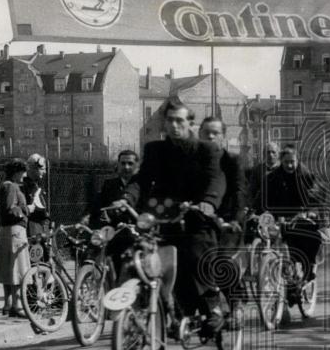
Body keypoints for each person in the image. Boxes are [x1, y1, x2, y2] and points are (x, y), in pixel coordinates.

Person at [121, 101, 226, 332]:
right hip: (163, 217)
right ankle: (156, 306)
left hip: (196, 216)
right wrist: (127, 198)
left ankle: (213, 308)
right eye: (170, 120)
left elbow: (215, 180)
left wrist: (208, 203)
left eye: (180, 120)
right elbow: (142, 179)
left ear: (190, 123)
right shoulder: (155, 150)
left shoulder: (206, 150)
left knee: (196, 254)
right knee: (144, 258)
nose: (174, 125)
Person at [199, 117, 247, 303]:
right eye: (206, 132)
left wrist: (235, 218)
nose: (210, 136)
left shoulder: (232, 161)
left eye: (215, 133)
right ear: (199, 134)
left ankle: (235, 303)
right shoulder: (193, 162)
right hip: (201, 220)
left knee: (223, 261)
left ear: (223, 137)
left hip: (227, 220)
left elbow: (239, 192)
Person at [262, 144, 326, 282]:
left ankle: (308, 268)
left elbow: (315, 195)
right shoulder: (272, 177)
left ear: (297, 161)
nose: (290, 165)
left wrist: (310, 212)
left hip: (300, 214)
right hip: (280, 216)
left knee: (308, 237)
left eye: (292, 162)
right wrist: (254, 211)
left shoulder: (306, 176)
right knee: (268, 238)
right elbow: (262, 197)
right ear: (281, 161)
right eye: (286, 162)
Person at [0, 159, 31, 319]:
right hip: (15, 231)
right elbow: (10, 209)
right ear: (16, 172)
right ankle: (17, 305)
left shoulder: (7, 185)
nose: (25, 175)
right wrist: (26, 210)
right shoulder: (11, 186)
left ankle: (8, 305)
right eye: (23, 171)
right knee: (17, 269)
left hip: (8, 231)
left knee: (9, 269)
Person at [84, 149, 140, 225]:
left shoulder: (144, 185)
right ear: (118, 164)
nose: (126, 167)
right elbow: (97, 205)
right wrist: (87, 217)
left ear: (137, 166)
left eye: (130, 163)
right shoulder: (109, 184)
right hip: (114, 231)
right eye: (123, 163)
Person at [22, 154, 49, 258]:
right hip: (32, 231)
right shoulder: (25, 186)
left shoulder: (35, 184)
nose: (45, 172)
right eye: (42, 169)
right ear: (33, 168)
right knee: (35, 264)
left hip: (40, 230)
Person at [247, 141, 280, 212]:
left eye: (273, 152)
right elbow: (252, 190)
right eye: (268, 152)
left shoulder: (284, 169)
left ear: (278, 154)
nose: (270, 155)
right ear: (264, 154)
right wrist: (251, 207)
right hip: (262, 208)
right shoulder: (258, 170)